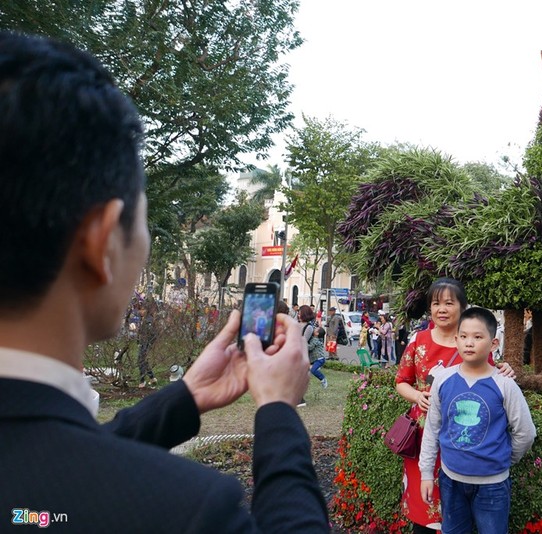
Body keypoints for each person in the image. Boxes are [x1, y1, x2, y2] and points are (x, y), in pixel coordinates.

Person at [0, 32, 327, 532]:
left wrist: (186, 395)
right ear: (102, 242)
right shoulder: (187, 510)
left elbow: (50, 476)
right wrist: (279, 410)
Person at [395, 277, 514, 533]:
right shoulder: (418, 341)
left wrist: (505, 369)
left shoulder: (473, 342)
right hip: (424, 435)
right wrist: (417, 396)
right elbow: (401, 381)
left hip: (464, 437)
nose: (442, 309)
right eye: (436, 303)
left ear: (462, 307)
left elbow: (490, 377)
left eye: (449, 303)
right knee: (423, 503)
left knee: (455, 509)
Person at [419, 307, 535, 534]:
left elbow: (525, 432)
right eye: (463, 337)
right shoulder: (443, 380)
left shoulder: (504, 384)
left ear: (493, 344)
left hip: (492, 486)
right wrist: (425, 473)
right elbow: (433, 428)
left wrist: (504, 459)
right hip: (451, 480)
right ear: (456, 340)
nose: (469, 343)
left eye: (477, 337)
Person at [299, 305, 326, 389]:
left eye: (300, 313)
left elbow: (305, 343)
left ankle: (322, 379)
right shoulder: (300, 324)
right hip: (312, 357)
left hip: (317, 358)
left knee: (311, 371)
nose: (298, 315)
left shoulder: (309, 328)